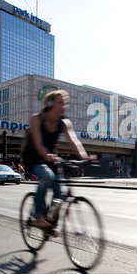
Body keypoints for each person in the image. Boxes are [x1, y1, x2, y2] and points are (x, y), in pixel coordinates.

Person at [22, 90, 96, 234]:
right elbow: (37, 143)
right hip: (33, 157)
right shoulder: (36, 119)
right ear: (49, 104)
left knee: (59, 189)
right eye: (60, 103)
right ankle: (37, 216)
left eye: (65, 103)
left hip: (51, 158)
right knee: (47, 176)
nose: (64, 106)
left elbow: (73, 141)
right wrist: (47, 155)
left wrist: (84, 156)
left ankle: (50, 222)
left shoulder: (64, 122)